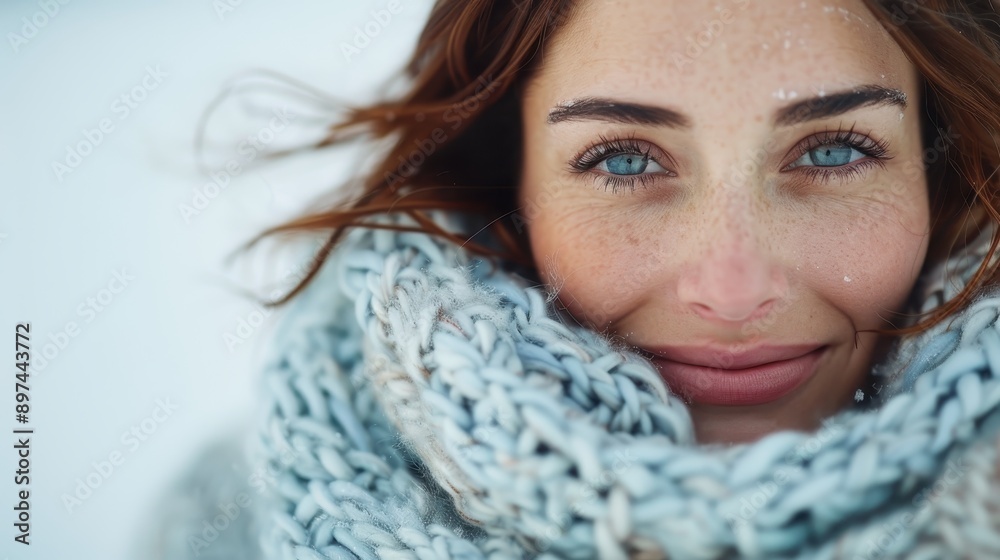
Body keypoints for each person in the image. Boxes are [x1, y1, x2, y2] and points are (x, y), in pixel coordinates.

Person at [156, 0, 1000, 558]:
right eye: (625, 159)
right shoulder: (226, 519)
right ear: (511, 186)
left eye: (833, 150)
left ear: (942, 170)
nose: (735, 289)